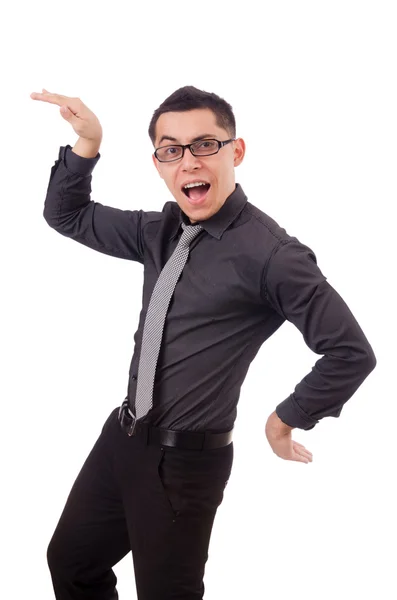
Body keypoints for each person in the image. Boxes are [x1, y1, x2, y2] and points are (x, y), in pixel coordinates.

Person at [30, 85, 376, 600]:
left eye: (205, 145)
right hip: (122, 437)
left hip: (185, 465)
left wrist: (285, 419)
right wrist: (88, 142)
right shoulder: (159, 230)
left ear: (235, 151)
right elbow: (67, 215)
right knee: (73, 561)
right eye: (172, 150)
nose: (188, 161)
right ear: (159, 164)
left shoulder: (273, 256)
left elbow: (350, 351)